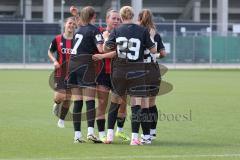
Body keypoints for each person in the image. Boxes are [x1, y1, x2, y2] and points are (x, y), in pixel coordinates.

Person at [94, 6, 157, 145]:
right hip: (137, 72)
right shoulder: (142, 30)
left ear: (122, 17)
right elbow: (153, 50)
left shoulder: (117, 30)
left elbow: (106, 48)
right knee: (136, 105)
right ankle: (135, 138)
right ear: (133, 16)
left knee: (115, 102)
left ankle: (109, 135)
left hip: (119, 71)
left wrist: (105, 38)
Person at [67, 6, 103, 143]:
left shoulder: (79, 30)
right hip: (86, 65)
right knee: (89, 100)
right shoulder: (95, 30)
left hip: (73, 64)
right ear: (93, 16)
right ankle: (90, 133)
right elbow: (100, 48)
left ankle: (77, 136)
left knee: (77, 101)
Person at [95, 9, 130, 142]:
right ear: (107, 20)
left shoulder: (124, 34)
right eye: (114, 18)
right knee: (102, 104)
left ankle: (119, 131)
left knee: (122, 105)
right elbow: (84, 23)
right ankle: (102, 134)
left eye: (118, 19)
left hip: (120, 74)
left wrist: (107, 42)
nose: (116, 21)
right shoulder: (100, 32)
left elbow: (118, 52)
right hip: (104, 73)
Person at [138, 9, 166, 140]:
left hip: (140, 70)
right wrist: (155, 56)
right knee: (152, 102)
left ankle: (146, 134)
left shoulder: (137, 33)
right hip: (154, 70)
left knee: (143, 103)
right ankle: (152, 132)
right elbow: (163, 54)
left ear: (139, 19)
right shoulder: (156, 34)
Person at [48, 17, 76, 128]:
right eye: (70, 23)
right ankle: (56, 103)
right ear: (65, 24)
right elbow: (49, 51)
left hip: (73, 73)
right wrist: (54, 61)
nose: (71, 25)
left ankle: (61, 119)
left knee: (68, 98)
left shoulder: (77, 40)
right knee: (59, 97)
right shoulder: (57, 39)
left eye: (74, 24)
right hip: (60, 72)